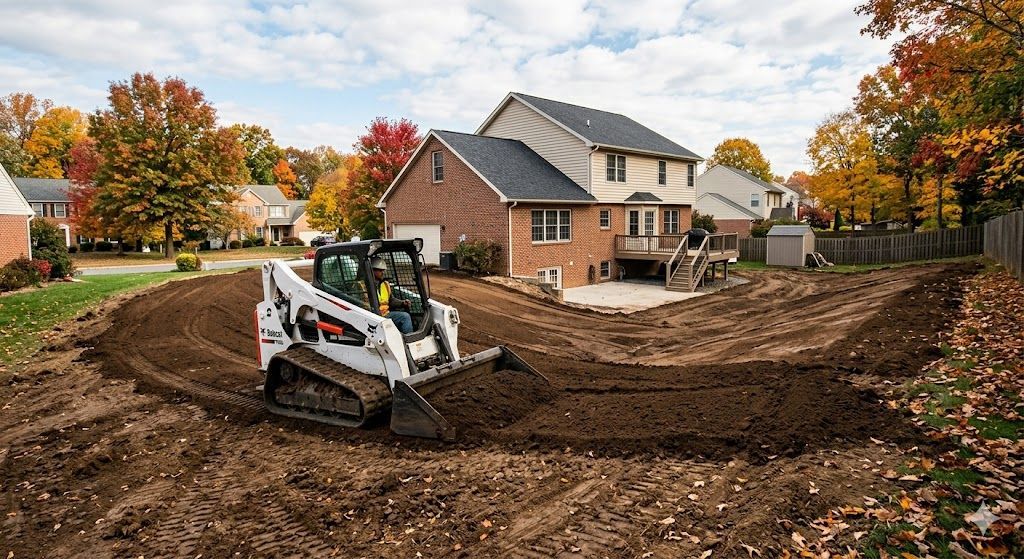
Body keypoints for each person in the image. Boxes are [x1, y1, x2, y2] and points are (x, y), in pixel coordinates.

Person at [370, 257, 414, 334]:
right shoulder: (364, 285)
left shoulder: (385, 284)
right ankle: (409, 338)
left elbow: (391, 300)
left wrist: (402, 303)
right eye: (380, 270)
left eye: (383, 270)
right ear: (372, 270)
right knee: (405, 317)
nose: (382, 272)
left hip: (385, 314)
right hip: (373, 317)